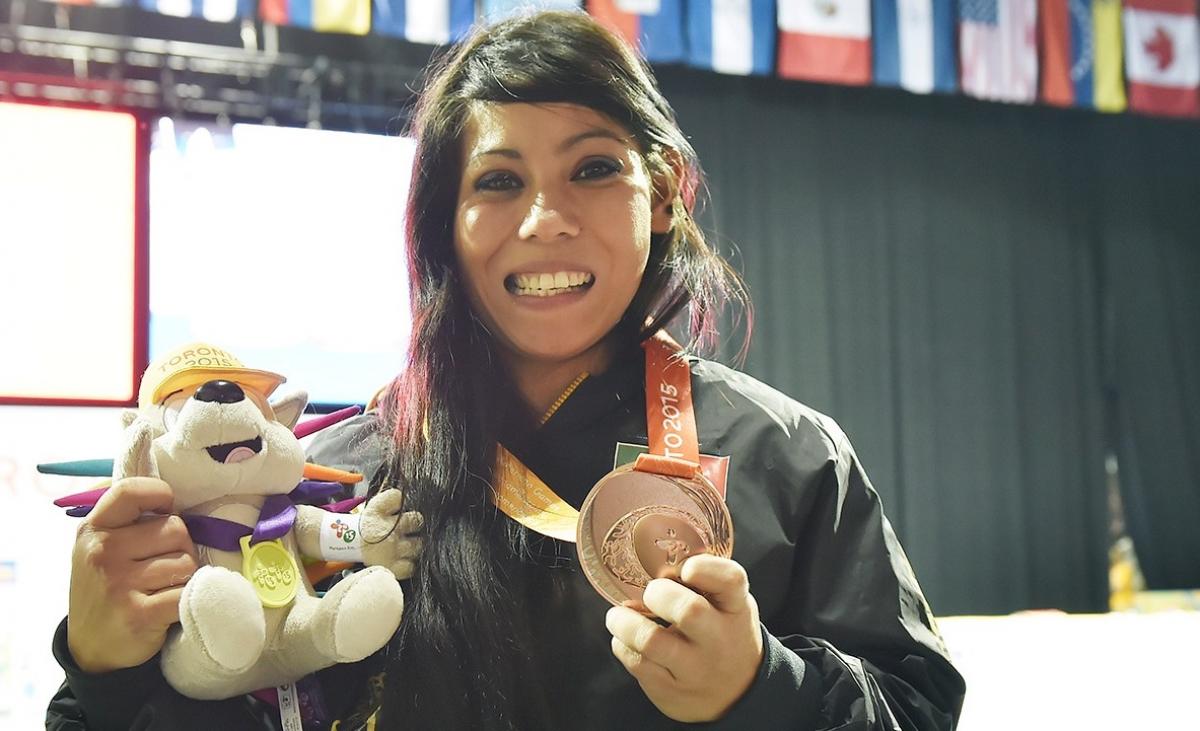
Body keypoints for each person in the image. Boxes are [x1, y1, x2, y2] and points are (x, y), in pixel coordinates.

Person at [48, 10, 965, 730]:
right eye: (498, 181)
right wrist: (103, 665)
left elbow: (915, 706)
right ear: (445, 222)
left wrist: (766, 688)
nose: (544, 220)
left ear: (664, 195)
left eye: (593, 169)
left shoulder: (789, 459)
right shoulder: (332, 479)